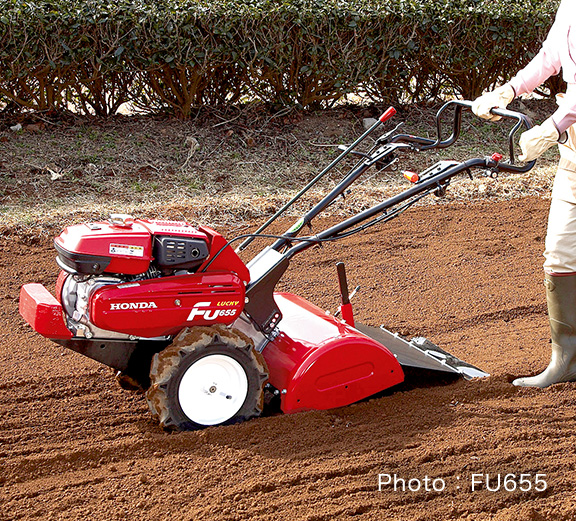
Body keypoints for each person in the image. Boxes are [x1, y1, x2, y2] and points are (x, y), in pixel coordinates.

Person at [472, 0, 576, 388]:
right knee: (560, 250)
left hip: (567, 129)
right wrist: (509, 90)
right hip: (575, 155)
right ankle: (566, 360)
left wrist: (553, 126)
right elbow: (551, 56)